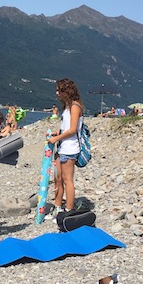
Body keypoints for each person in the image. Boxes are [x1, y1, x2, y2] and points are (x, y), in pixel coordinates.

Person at [47, 78, 84, 216]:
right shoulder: (67, 107)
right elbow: (66, 128)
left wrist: (56, 138)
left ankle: (69, 209)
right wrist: (57, 133)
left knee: (68, 180)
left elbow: (73, 130)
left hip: (70, 149)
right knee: (58, 179)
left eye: (59, 90)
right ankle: (58, 206)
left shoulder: (75, 107)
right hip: (62, 147)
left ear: (66, 91)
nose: (57, 93)